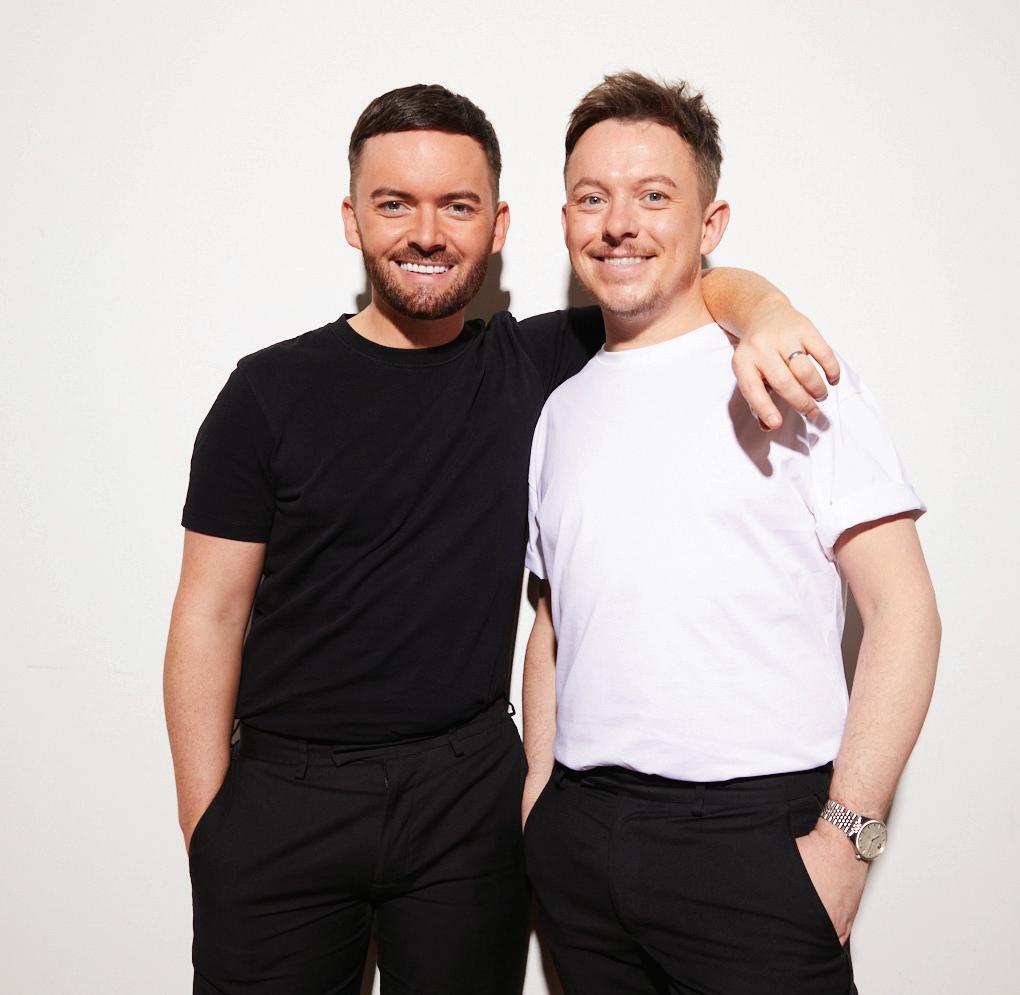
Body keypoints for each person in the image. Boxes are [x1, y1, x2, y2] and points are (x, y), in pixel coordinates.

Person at [165, 82, 841, 995]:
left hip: (466, 794)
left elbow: (683, 277)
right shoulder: (266, 393)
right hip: (287, 793)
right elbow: (208, 614)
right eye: (394, 204)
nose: (426, 233)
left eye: (458, 205)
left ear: (499, 225)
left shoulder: (535, 365)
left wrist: (767, 311)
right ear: (352, 220)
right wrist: (208, 828)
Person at [522, 72, 940, 995]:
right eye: (592, 197)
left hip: (754, 840)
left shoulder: (791, 371)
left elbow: (903, 611)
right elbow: (553, 622)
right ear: (566, 220)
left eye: (653, 196)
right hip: (582, 836)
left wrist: (847, 841)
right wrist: (539, 802)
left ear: (710, 223)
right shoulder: (560, 411)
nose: (618, 223)